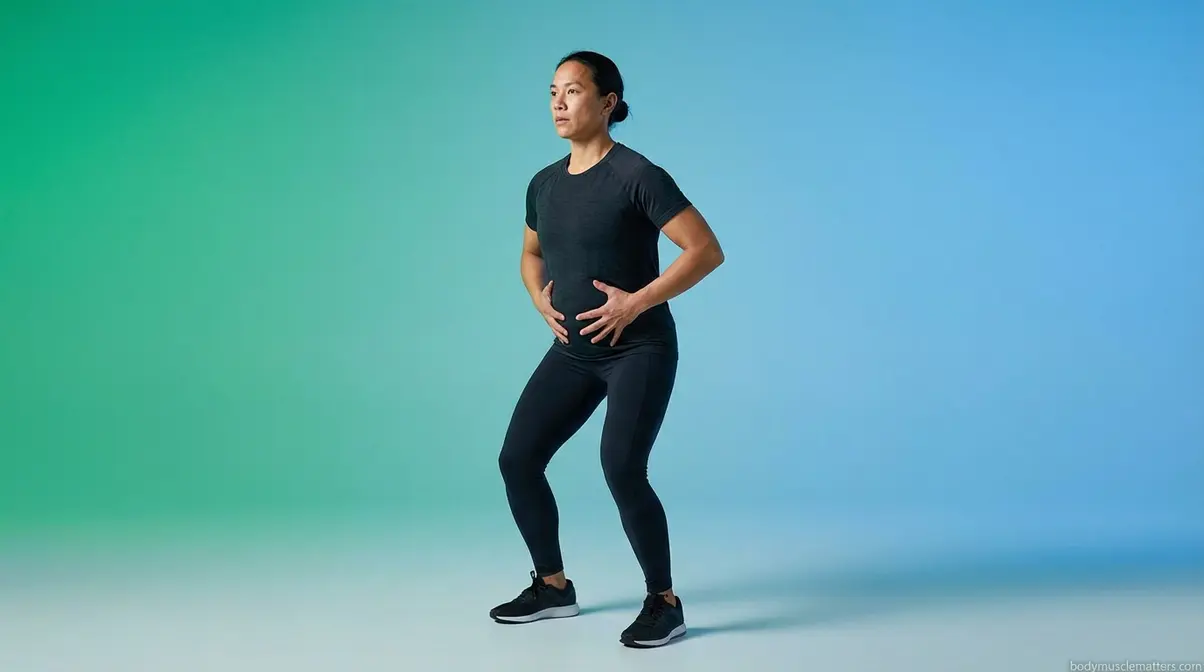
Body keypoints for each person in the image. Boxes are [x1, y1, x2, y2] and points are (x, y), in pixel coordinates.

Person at [489, 50, 725, 649]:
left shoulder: (637, 175)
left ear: (608, 102)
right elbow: (531, 254)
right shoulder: (543, 183)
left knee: (621, 466)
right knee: (518, 459)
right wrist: (538, 299)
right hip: (573, 352)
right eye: (552, 92)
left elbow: (705, 250)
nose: (559, 103)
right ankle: (553, 587)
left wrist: (635, 302)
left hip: (637, 349)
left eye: (572, 91)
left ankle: (664, 602)